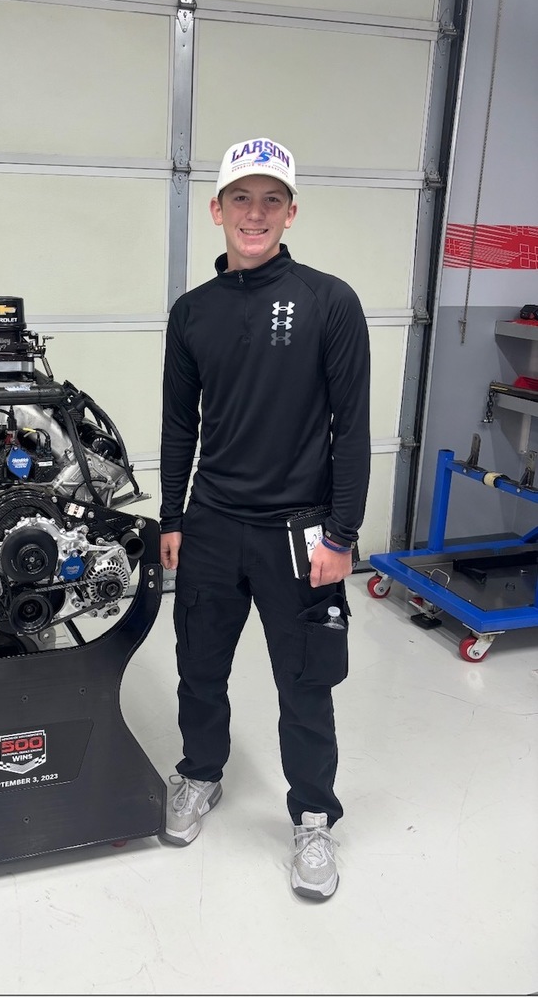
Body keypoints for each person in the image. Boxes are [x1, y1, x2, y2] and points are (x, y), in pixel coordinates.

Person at [158, 136, 370, 901]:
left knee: (305, 687)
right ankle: (199, 775)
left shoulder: (329, 302)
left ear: (290, 212)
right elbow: (180, 425)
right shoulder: (192, 313)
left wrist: (342, 535)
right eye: (240, 199)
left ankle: (313, 820)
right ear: (216, 211)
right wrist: (171, 516)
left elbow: (353, 428)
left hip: (298, 533)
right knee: (199, 670)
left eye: (270, 200)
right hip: (212, 527)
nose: (255, 214)